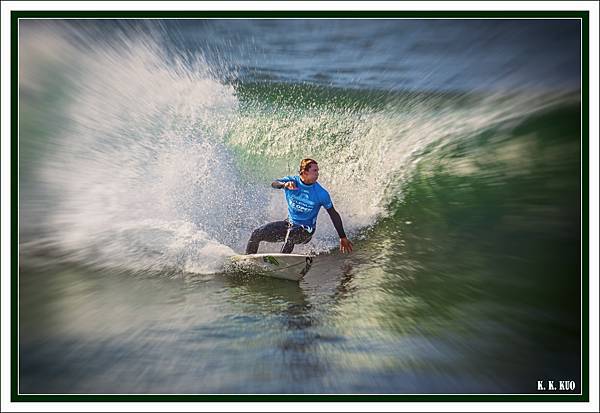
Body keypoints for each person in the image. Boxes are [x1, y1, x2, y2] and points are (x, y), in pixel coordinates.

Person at [245, 159, 353, 255]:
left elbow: (333, 214)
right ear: (305, 172)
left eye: (318, 171)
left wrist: (342, 237)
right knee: (257, 233)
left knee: (291, 234)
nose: (318, 174)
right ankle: (248, 261)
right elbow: (274, 183)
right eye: (315, 171)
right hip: (289, 224)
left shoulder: (321, 193)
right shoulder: (292, 181)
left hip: (306, 231)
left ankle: (282, 263)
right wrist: (284, 185)